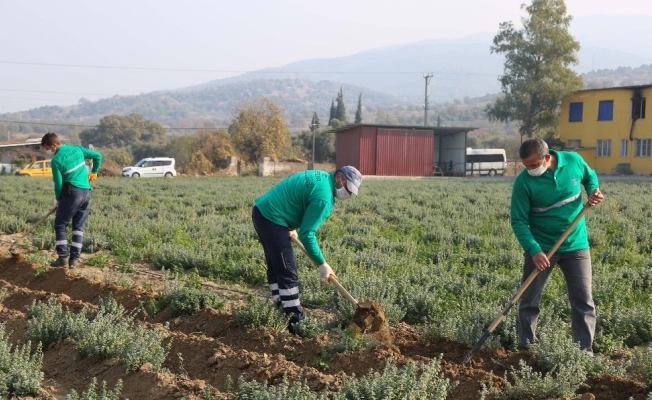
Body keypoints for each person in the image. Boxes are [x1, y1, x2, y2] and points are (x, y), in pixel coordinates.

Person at [511, 138, 603, 352]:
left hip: (576, 245)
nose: (530, 170)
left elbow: (590, 176)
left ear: (547, 157)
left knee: (583, 300)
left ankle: (584, 352)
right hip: (542, 248)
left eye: (534, 165)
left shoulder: (572, 161)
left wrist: (593, 190)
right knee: (529, 299)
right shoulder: (523, 182)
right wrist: (534, 250)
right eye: (526, 166)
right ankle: (527, 348)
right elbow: (518, 221)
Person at [252, 166, 362, 327]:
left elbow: (295, 196)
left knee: (276, 267)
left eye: (351, 191)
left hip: (263, 212)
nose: (348, 193)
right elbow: (307, 234)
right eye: (347, 187)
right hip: (273, 219)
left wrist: (289, 226)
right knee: (287, 271)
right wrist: (322, 263)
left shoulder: (321, 176)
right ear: (339, 176)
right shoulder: (324, 198)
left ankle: (279, 307)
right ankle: (295, 322)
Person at [41, 133, 102, 268]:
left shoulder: (57, 160)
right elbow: (98, 155)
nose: (47, 151)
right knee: (78, 227)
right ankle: (74, 260)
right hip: (86, 192)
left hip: (72, 193)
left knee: (60, 224)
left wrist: (58, 199)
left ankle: (62, 257)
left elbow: (58, 183)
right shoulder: (77, 149)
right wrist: (94, 172)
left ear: (54, 145)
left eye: (47, 148)